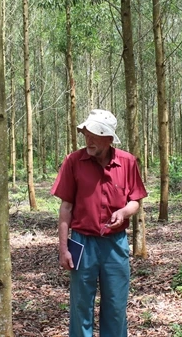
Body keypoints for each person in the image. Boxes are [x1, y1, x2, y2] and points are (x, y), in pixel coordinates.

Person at [51, 109, 147, 337]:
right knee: (81, 305)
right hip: (82, 243)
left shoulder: (128, 162)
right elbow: (66, 207)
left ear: (109, 137)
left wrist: (123, 212)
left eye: (95, 134)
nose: (89, 139)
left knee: (115, 306)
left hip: (116, 245)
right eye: (86, 133)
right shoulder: (73, 161)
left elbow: (135, 201)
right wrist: (64, 248)